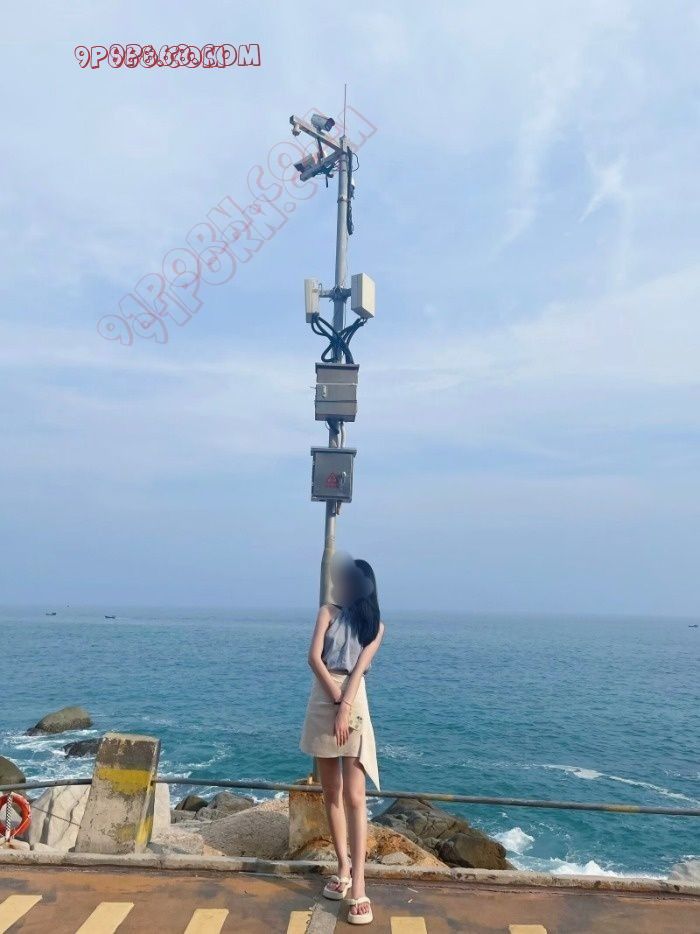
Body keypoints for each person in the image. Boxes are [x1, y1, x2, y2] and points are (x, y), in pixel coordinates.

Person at [299, 552, 385, 926]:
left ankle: (359, 882)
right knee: (330, 792)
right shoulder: (327, 613)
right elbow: (313, 658)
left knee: (355, 796)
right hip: (324, 695)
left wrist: (344, 706)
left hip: (354, 696)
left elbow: (361, 668)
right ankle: (343, 867)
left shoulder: (375, 626)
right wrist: (335, 700)